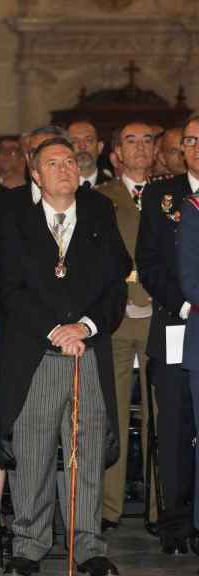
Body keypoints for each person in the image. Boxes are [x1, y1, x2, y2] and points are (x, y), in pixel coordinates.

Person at [0, 136, 130, 576]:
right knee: (33, 452)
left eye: (70, 161)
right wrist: (55, 330)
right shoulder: (17, 219)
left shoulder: (98, 212)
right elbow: (9, 288)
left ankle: (88, 545)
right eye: (52, 163)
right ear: (36, 175)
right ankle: (29, 545)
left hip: (87, 351)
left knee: (86, 451)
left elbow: (115, 283)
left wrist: (86, 327)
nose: (64, 169)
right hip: (37, 353)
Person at [138, 115, 199, 554]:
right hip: (179, 323)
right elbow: (151, 262)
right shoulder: (162, 193)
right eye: (191, 141)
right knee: (175, 428)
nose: (196, 147)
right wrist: (185, 305)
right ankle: (175, 526)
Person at [95, 122, 156, 533]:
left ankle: (158, 507)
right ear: (116, 153)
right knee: (111, 414)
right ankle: (109, 508)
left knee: (161, 415)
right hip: (116, 317)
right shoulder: (100, 198)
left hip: (161, 314)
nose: (139, 148)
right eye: (130, 140)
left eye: (147, 141)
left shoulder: (171, 194)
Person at [68, 120, 112, 189]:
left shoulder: (113, 186)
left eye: (88, 140)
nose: (82, 146)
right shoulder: (57, 186)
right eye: (74, 142)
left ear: (100, 147)